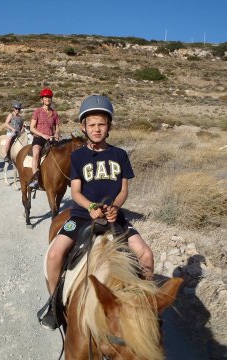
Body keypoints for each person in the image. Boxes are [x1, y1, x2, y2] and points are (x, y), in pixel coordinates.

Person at [38, 94, 155, 330]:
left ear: (109, 126)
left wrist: (115, 207)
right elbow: (76, 190)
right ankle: (54, 303)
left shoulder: (119, 154)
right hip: (82, 215)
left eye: (101, 124)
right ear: (83, 127)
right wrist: (90, 207)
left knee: (146, 255)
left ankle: (145, 307)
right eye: (91, 124)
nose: (97, 128)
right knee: (54, 255)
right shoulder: (77, 156)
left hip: (114, 217)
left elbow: (123, 189)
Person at [28, 88, 61, 188]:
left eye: (49, 97)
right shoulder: (37, 111)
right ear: (42, 99)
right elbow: (32, 128)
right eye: (46, 97)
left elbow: (57, 127)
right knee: (36, 153)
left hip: (51, 138)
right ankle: (35, 179)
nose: (48, 99)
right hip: (39, 138)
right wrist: (42, 135)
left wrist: (56, 134)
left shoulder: (55, 113)